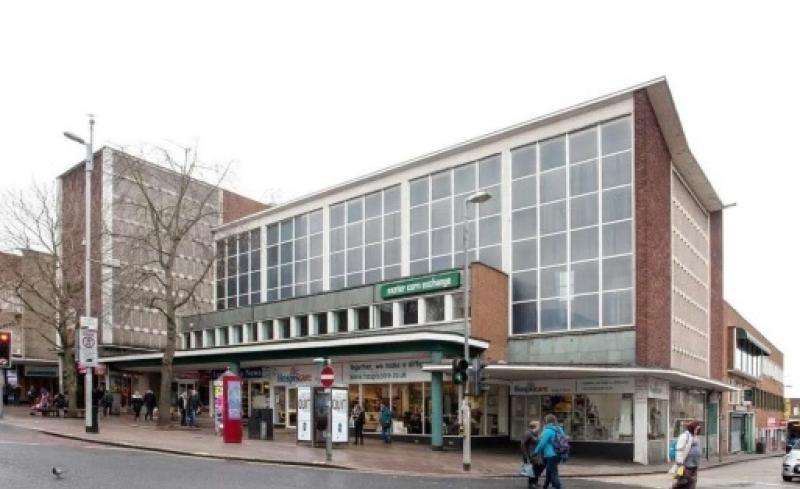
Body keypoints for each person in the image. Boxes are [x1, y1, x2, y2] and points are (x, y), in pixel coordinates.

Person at [533, 414, 564, 489]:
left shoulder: (548, 430)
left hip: (550, 455)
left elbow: (542, 444)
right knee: (549, 471)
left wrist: (535, 452)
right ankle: (545, 486)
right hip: (559, 453)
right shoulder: (559, 429)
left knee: (553, 473)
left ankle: (558, 486)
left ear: (546, 421)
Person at [674, 420, 702, 489]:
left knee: (692, 482)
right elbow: (679, 449)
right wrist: (680, 462)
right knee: (684, 482)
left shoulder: (694, 436)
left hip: (694, 464)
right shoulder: (685, 436)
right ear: (692, 428)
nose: (697, 431)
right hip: (686, 465)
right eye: (696, 429)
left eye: (698, 429)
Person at [521, 420, 546, 489]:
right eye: (538, 426)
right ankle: (531, 484)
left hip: (537, 455)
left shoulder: (535, 433)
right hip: (531, 454)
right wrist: (525, 455)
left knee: (539, 467)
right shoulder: (528, 433)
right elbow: (523, 444)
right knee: (533, 469)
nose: (539, 427)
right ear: (535, 426)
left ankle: (535, 482)